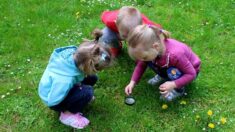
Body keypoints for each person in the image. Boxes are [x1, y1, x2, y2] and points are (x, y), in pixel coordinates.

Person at [38, 32, 112, 129]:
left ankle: (77, 95)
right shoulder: (64, 80)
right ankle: (67, 115)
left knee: (92, 78)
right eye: (97, 69)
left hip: (62, 85)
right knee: (87, 92)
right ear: (88, 65)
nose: (98, 71)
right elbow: (52, 101)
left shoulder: (76, 54)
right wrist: (74, 90)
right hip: (54, 99)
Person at [125, 25, 201, 101]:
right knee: (149, 61)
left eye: (144, 57)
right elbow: (141, 65)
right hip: (169, 65)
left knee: (165, 67)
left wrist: (173, 84)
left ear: (155, 47)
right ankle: (163, 75)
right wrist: (132, 82)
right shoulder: (153, 51)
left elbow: (191, 74)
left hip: (189, 71)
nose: (142, 60)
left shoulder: (175, 55)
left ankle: (178, 90)